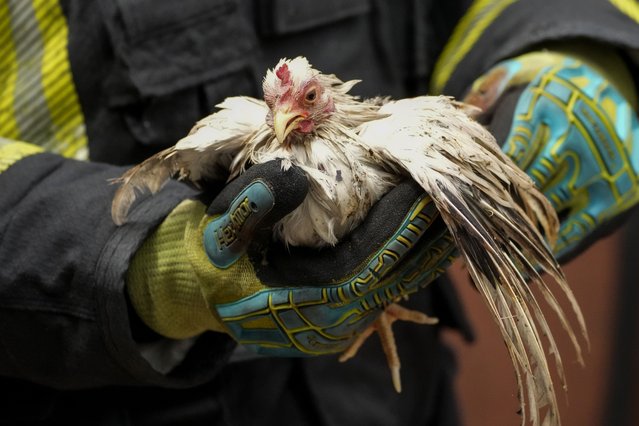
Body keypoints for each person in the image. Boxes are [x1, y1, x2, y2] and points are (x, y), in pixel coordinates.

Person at [1, 1, 638, 425]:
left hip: (386, 396)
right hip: (93, 381)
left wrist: (574, 43)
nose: (285, 119)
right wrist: (136, 262)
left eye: (301, 102)